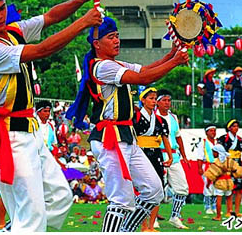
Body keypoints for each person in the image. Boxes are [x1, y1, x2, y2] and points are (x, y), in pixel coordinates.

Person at [0, 0, 101, 232]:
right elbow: (41, 50)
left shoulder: (13, 31)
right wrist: (83, 22)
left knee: (61, 198)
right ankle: (20, 227)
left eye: (1, 8)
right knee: (33, 216)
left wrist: (80, 0)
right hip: (10, 136)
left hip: (30, 131)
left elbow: (50, 16)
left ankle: (15, 228)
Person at [65, 17, 189, 232]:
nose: (117, 41)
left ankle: (126, 231)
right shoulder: (102, 67)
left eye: (118, 36)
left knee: (154, 191)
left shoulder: (116, 64)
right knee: (120, 199)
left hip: (125, 136)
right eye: (111, 37)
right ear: (97, 44)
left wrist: (170, 55)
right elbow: (143, 79)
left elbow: (145, 71)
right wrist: (175, 61)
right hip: (109, 138)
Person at [134, 87, 172, 232]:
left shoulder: (160, 120)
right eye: (150, 98)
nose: (154, 101)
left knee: (158, 188)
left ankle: (151, 225)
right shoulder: (135, 117)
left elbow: (165, 139)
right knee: (143, 189)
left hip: (156, 154)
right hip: (140, 153)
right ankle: (143, 225)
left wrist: (169, 156)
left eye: (155, 98)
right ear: (143, 100)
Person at [156, 89, 190, 229]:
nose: (167, 103)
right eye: (164, 100)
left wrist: (185, 156)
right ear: (157, 102)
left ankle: (175, 216)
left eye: (169, 100)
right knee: (157, 189)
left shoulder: (173, 117)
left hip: (174, 157)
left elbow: (178, 137)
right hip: (158, 156)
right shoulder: (152, 116)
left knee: (182, 188)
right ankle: (153, 219)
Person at [203, 144, 242, 221]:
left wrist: (208, 185)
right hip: (229, 182)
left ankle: (218, 216)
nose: (212, 153)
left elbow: (211, 175)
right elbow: (238, 171)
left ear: (218, 152)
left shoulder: (216, 162)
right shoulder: (230, 161)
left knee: (219, 199)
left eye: (214, 152)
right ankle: (229, 212)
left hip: (220, 183)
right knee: (229, 198)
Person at [217, 119, 242, 217]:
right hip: (227, 164)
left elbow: (240, 154)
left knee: (239, 188)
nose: (236, 128)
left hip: (238, 164)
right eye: (233, 126)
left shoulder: (240, 139)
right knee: (229, 188)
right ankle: (229, 211)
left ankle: (237, 211)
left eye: (237, 126)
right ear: (229, 128)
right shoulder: (223, 138)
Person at [196, 124, 218, 214]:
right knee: (207, 186)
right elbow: (200, 156)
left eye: (214, 130)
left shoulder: (218, 142)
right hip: (207, 166)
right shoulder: (203, 142)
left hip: (217, 167)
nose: (213, 132)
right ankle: (207, 206)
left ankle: (214, 206)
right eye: (211, 131)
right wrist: (200, 168)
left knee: (217, 186)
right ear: (206, 132)